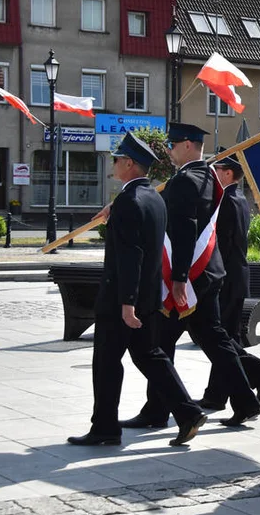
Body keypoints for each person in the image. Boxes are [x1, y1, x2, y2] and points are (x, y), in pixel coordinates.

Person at [67, 132, 207, 447]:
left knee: (106, 362)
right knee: (149, 355)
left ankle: (104, 428)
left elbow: (132, 255)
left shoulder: (130, 201)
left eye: (117, 160)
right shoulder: (151, 197)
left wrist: (126, 304)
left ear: (129, 163)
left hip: (122, 299)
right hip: (148, 296)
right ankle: (187, 412)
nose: (113, 165)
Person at [120, 123, 260, 430]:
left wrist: (179, 278)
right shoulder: (209, 177)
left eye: (172, 145)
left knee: (160, 342)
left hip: (189, 279)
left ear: (187, 145)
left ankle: (158, 411)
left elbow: (184, 230)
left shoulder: (186, 180)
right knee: (214, 340)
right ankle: (244, 401)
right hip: (208, 272)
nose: (169, 151)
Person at [194, 152, 260, 411]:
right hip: (236, 278)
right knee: (224, 338)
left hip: (227, 279)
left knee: (216, 337)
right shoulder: (238, 198)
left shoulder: (227, 202)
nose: (213, 174)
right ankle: (216, 395)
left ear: (228, 173)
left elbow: (221, 245)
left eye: (217, 169)